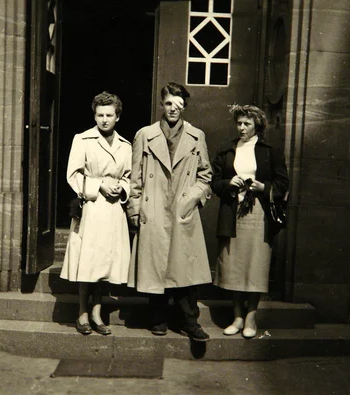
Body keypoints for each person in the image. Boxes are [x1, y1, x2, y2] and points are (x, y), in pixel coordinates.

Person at [127, 82, 213, 342]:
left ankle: (190, 321)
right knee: (156, 266)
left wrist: (192, 197)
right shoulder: (145, 135)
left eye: (178, 104)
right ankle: (158, 318)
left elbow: (206, 174)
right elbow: (135, 178)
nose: (173, 109)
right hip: (153, 210)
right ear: (161, 105)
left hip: (182, 210)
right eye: (168, 104)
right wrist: (135, 210)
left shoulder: (197, 136)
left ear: (184, 106)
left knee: (185, 268)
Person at [211, 104, 289, 338]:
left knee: (255, 263)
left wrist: (264, 187)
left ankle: (251, 317)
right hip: (232, 210)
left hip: (258, 212)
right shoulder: (226, 150)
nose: (242, 128)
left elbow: (283, 183)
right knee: (234, 263)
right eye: (239, 123)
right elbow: (214, 181)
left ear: (257, 125)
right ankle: (236, 316)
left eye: (247, 124)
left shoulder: (269, 150)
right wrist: (228, 183)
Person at [61, 91, 132, 336]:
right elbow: (73, 174)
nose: (104, 119)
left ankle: (97, 313)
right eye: (100, 115)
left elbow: (129, 177)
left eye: (109, 115)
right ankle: (82, 312)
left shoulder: (125, 145)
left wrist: (121, 187)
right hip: (92, 208)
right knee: (88, 261)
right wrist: (99, 184)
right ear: (94, 115)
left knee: (104, 264)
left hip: (113, 211)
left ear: (117, 117)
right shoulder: (83, 140)